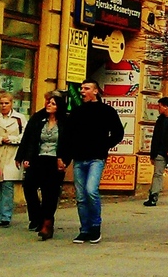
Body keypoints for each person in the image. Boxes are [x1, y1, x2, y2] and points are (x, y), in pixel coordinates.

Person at [63, 80, 124, 245]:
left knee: (91, 190)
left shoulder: (106, 111)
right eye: (82, 88)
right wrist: (65, 157)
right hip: (79, 158)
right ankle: (85, 229)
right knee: (81, 196)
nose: (82, 91)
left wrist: (105, 145)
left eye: (86, 88)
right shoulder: (77, 112)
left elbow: (118, 132)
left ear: (95, 91)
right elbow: (68, 136)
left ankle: (95, 226)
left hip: (96, 158)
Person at [17, 91, 67, 240]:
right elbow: (29, 138)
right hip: (38, 159)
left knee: (49, 193)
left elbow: (69, 143)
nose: (48, 105)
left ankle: (47, 223)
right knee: (29, 186)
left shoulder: (65, 121)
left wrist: (64, 159)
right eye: (48, 102)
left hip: (54, 161)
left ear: (59, 106)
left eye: (52, 103)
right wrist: (23, 156)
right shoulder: (39, 118)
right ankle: (37, 217)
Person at [0, 91, 27, 227]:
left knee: (8, 186)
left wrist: (12, 139)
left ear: (11, 104)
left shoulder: (19, 118)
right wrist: (0, 139)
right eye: (1, 103)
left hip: (12, 156)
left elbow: (25, 136)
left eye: (6, 103)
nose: (3, 105)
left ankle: (6, 216)